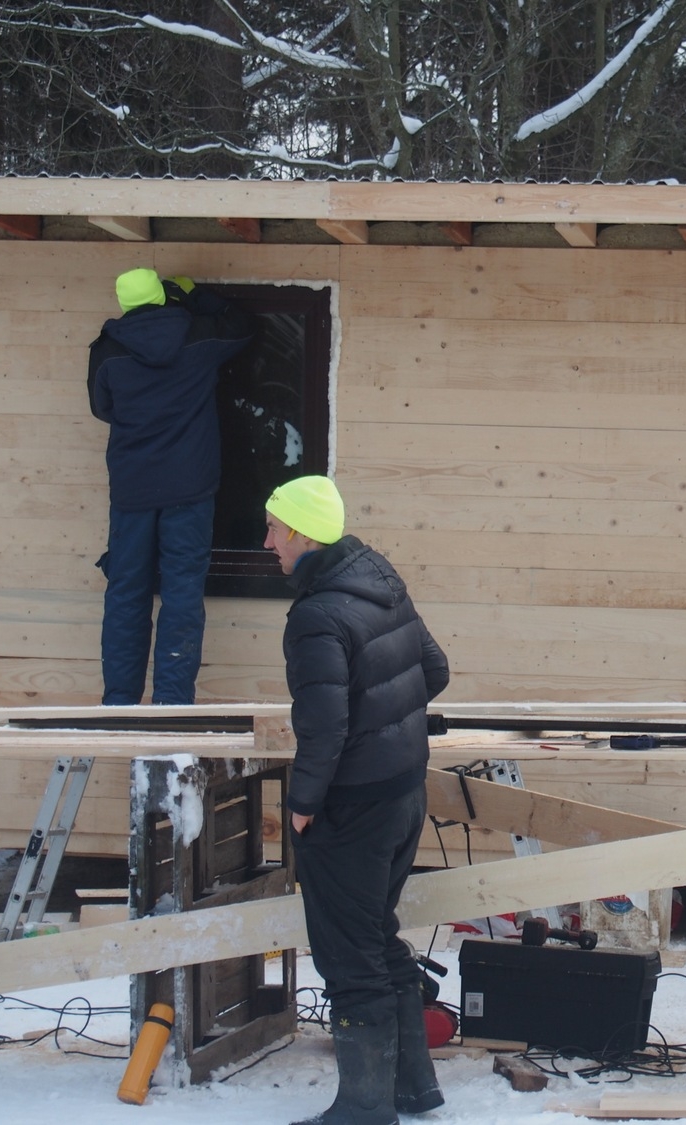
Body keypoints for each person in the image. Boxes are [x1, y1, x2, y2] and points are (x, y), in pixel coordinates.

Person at [264, 475, 451, 1125]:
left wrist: (302, 802)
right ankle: (412, 1087)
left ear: (302, 533)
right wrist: (391, 724)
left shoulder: (316, 614)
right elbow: (435, 670)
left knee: (348, 953)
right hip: (404, 793)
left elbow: (325, 726)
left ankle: (364, 1108)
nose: (267, 542)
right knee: (375, 935)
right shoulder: (376, 573)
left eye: (273, 528)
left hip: (353, 806)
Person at [88, 267, 253, 705]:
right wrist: (198, 296)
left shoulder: (107, 351)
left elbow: (101, 407)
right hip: (190, 491)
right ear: (163, 296)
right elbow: (243, 328)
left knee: (126, 593)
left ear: (124, 305)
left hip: (132, 492)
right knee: (181, 594)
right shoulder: (198, 336)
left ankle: (119, 703)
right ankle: (172, 702)